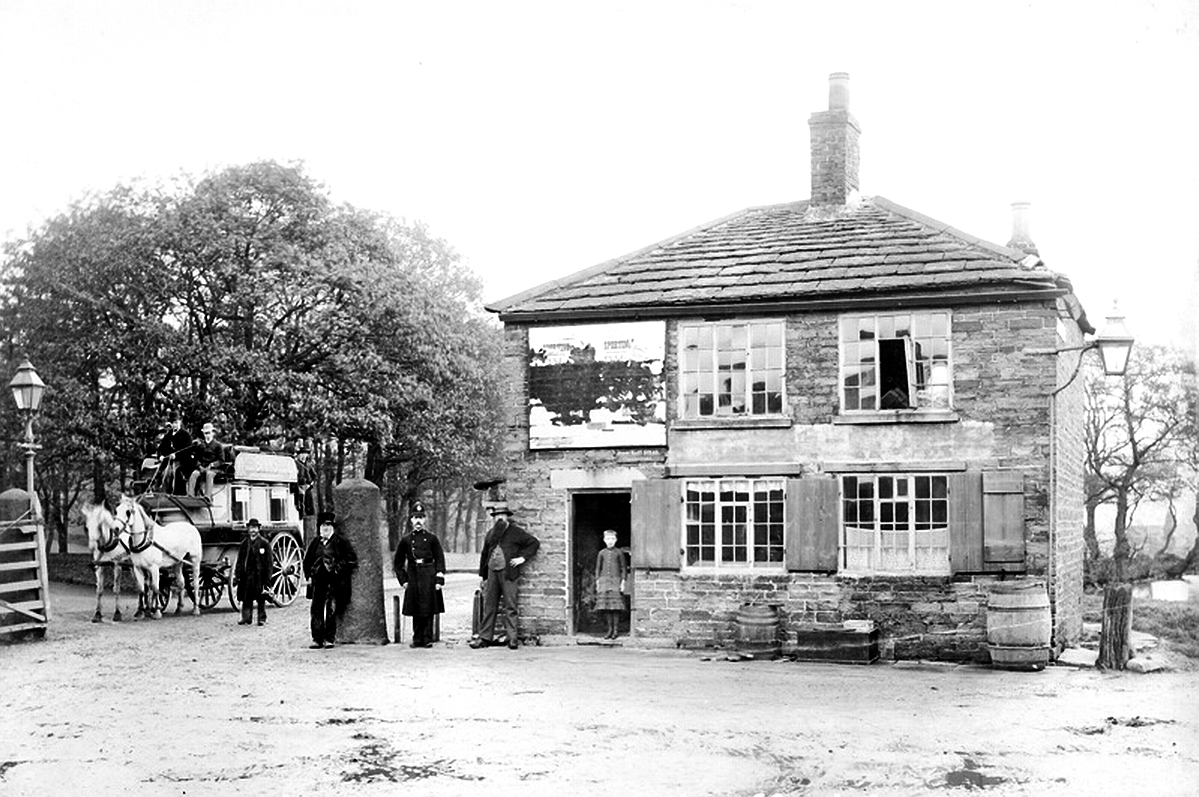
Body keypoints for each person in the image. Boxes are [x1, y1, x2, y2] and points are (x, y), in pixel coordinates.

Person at [470, 502, 539, 650]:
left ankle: (512, 638)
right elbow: (484, 554)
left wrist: (522, 558)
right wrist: (484, 576)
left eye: (503, 515)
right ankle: (485, 638)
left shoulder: (516, 532)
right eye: (497, 516)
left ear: (507, 517)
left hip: (509, 574)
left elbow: (533, 543)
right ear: (495, 518)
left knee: (510, 606)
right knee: (489, 606)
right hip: (492, 573)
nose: (500, 518)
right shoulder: (491, 533)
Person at [393, 501, 446, 648]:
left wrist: (438, 579)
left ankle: (427, 638)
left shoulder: (432, 539)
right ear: (411, 520)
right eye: (415, 517)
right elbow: (398, 563)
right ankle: (417, 639)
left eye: (421, 517)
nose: (418, 521)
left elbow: (440, 559)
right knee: (416, 609)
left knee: (428, 609)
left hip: (429, 574)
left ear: (425, 520)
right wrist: (403, 580)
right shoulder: (406, 540)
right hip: (413, 575)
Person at [302, 511, 358, 649]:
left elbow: (351, 559)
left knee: (331, 610)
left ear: (333, 527)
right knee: (316, 609)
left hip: (334, 582)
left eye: (328, 525)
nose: (325, 528)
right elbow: (307, 561)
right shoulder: (315, 542)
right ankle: (317, 639)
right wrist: (308, 575)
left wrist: (338, 568)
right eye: (323, 525)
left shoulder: (340, 541)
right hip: (317, 582)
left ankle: (329, 638)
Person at [235, 518, 274, 626]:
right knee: (246, 597)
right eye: (251, 528)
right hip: (247, 574)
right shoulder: (244, 544)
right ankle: (246, 618)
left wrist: (267, 578)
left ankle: (262, 618)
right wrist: (238, 574)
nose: (253, 530)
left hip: (259, 575)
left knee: (261, 598)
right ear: (248, 529)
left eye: (255, 528)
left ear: (258, 529)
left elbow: (269, 562)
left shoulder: (264, 543)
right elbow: (240, 560)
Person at [594, 529, 628, 640]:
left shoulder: (619, 553)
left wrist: (623, 581)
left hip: (615, 581)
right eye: (608, 539)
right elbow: (598, 568)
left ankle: (616, 630)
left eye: (612, 539)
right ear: (604, 540)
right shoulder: (601, 553)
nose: (610, 541)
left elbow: (623, 568)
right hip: (604, 581)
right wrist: (597, 581)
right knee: (607, 607)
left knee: (615, 607)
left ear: (616, 540)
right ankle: (609, 630)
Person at [155, 413, 194, 494]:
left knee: (176, 473)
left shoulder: (186, 435)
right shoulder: (168, 435)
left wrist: (176, 455)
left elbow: (187, 450)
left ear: (180, 422)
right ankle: (162, 492)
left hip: (182, 462)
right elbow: (161, 448)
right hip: (168, 461)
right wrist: (161, 455)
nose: (174, 425)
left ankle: (176, 493)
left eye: (176, 422)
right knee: (163, 473)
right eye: (173, 423)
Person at [189, 422, 226, 496]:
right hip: (202, 468)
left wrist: (212, 465)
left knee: (209, 474)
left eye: (209, 433)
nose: (207, 435)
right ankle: (191, 495)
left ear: (212, 433)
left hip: (214, 469)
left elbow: (221, 460)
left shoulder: (218, 445)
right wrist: (199, 466)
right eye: (205, 433)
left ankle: (207, 496)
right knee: (194, 474)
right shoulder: (201, 446)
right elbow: (197, 458)